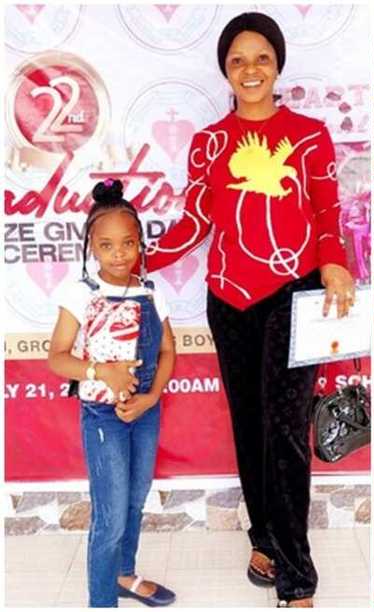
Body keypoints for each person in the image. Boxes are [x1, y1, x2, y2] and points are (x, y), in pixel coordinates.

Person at [142, 12, 356, 607]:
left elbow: (326, 213)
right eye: (238, 60)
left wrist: (335, 261)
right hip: (228, 299)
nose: (251, 69)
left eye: (261, 57)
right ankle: (263, 535)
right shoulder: (209, 141)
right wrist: (140, 260)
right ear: (225, 72)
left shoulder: (310, 134)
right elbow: (196, 221)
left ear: (278, 64)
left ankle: (296, 578)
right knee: (250, 424)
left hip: (294, 293)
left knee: (286, 431)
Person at [47, 179, 177, 608]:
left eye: (128, 243)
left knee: (135, 501)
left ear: (140, 243)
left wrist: (151, 396)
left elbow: (167, 350)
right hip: (103, 418)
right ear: (92, 249)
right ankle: (102, 600)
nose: (119, 254)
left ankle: (123, 574)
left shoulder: (153, 292)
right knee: (110, 514)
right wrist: (101, 371)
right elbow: (58, 358)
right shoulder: (80, 294)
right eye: (107, 246)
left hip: (145, 412)